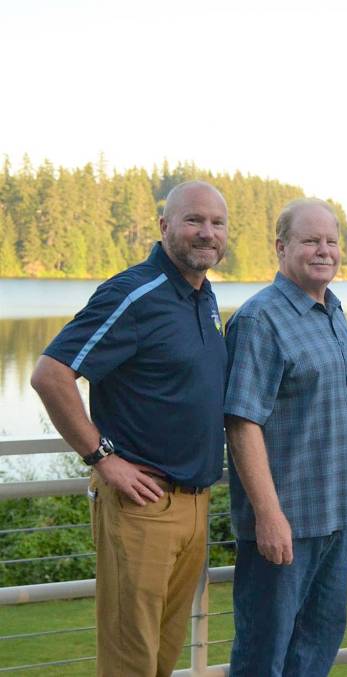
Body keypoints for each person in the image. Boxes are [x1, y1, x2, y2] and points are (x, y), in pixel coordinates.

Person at [30, 181, 228, 677]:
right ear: (164, 227)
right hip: (143, 508)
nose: (207, 233)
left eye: (218, 223)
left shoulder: (203, 297)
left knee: (162, 659)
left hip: (197, 503)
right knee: (130, 662)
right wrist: (103, 458)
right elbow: (51, 374)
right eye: (194, 220)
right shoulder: (133, 293)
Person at [223, 198, 347, 676]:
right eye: (311, 241)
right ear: (281, 247)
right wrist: (268, 516)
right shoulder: (259, 320)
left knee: (315, 651)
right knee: (264, 654)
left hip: (333, 521)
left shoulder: (332, 310)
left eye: (331, 241)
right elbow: (241, 423)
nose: (324, 250)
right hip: (285, 524)